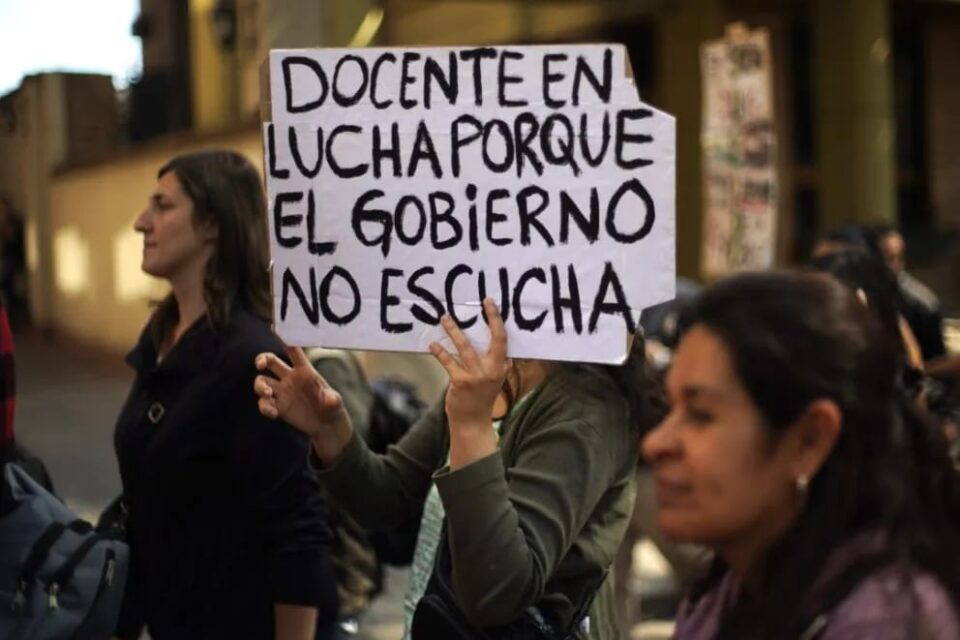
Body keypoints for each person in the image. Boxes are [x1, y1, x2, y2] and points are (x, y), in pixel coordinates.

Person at [254, 300, 666, 639]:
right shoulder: (500, 371)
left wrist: (470, 428)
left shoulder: (587, 408)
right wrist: (330, 429)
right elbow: (386, 497)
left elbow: (497, 593)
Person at [644, 271, 960, 639]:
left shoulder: (883, 619)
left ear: (808, 440)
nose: (655, 443)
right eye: (670, 408)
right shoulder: (732, 584)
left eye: (701, 415)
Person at [112, 150, 337, 640]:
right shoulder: (161, 339)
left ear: (212, 224)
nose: (141, 222)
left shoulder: (249, 357)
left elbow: (298, 530)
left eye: (162, 206)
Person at [875, 225, 946, 362]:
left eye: (897, 258)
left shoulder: (922, 304)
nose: (892, 265)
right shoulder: (864, 292)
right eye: (885, 258)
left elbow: (936, 360)